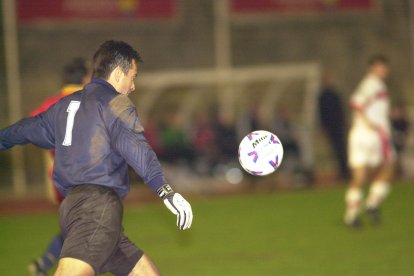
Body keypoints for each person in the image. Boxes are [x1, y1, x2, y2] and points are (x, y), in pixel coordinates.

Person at [0, 40, 193, 275]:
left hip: (74, 208)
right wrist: (166, 191)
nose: (133, 85)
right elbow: (138, 149)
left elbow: (24, 130)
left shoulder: (64, 106)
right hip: (97, 207)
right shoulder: (116, 103)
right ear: (119, 73)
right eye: (133, 76)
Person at [28, 57, 91, 276]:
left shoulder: (51, 103)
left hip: (59, 177)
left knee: (77, 225)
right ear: (85, 78)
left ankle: (44, 264)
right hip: (86, 176)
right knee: (95, 228)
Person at [344, 55, 394, 228]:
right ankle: (371, 204)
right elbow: (356, 102)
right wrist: (368, 122)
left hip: (361, 134)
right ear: (371, 69)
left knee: (362, 175)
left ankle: (353, 215)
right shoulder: (372, 84)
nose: (383, 71)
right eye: (379, 67)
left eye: (384, 67)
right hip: (371, 135)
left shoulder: (374, 85)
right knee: (387, 167)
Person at [318, 72, 349, 180]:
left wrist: (344, 122)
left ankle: (345, 171)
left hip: (338, 126)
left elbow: (341, 110)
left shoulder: (335, 94)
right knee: (335, 150)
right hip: (330, 127)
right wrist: (323, 127)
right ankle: (342, 172)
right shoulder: (322, 96)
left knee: (342, 149)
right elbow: (321, 113)